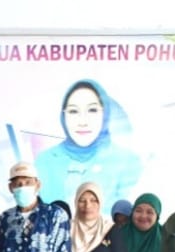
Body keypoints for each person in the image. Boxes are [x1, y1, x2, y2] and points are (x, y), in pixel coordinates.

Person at [33, 79, 142, 210]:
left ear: (105, 113)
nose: (83, 122)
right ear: (63, 116)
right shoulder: (45, 161)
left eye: (92, 110)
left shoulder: (128, 161)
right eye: (73, 111)